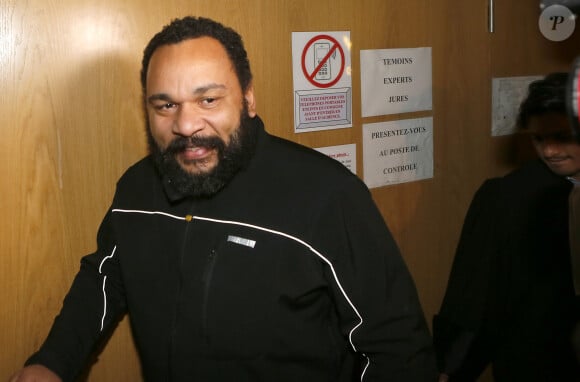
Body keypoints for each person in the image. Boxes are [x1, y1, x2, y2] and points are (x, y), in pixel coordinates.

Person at [9, 16, 437, 382]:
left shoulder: (326, 195)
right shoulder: (135, 189)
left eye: (207, 99)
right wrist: (53, 362)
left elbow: (397, 347)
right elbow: (105, 277)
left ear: (248, 97)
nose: (186, 124)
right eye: (165, 106)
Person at [433, 72, 580, 382]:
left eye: (563, 136)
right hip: (536, 364)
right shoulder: (506, 198)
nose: (550, 151)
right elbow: (471, 299)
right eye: (539, 139)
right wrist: (449, 370)